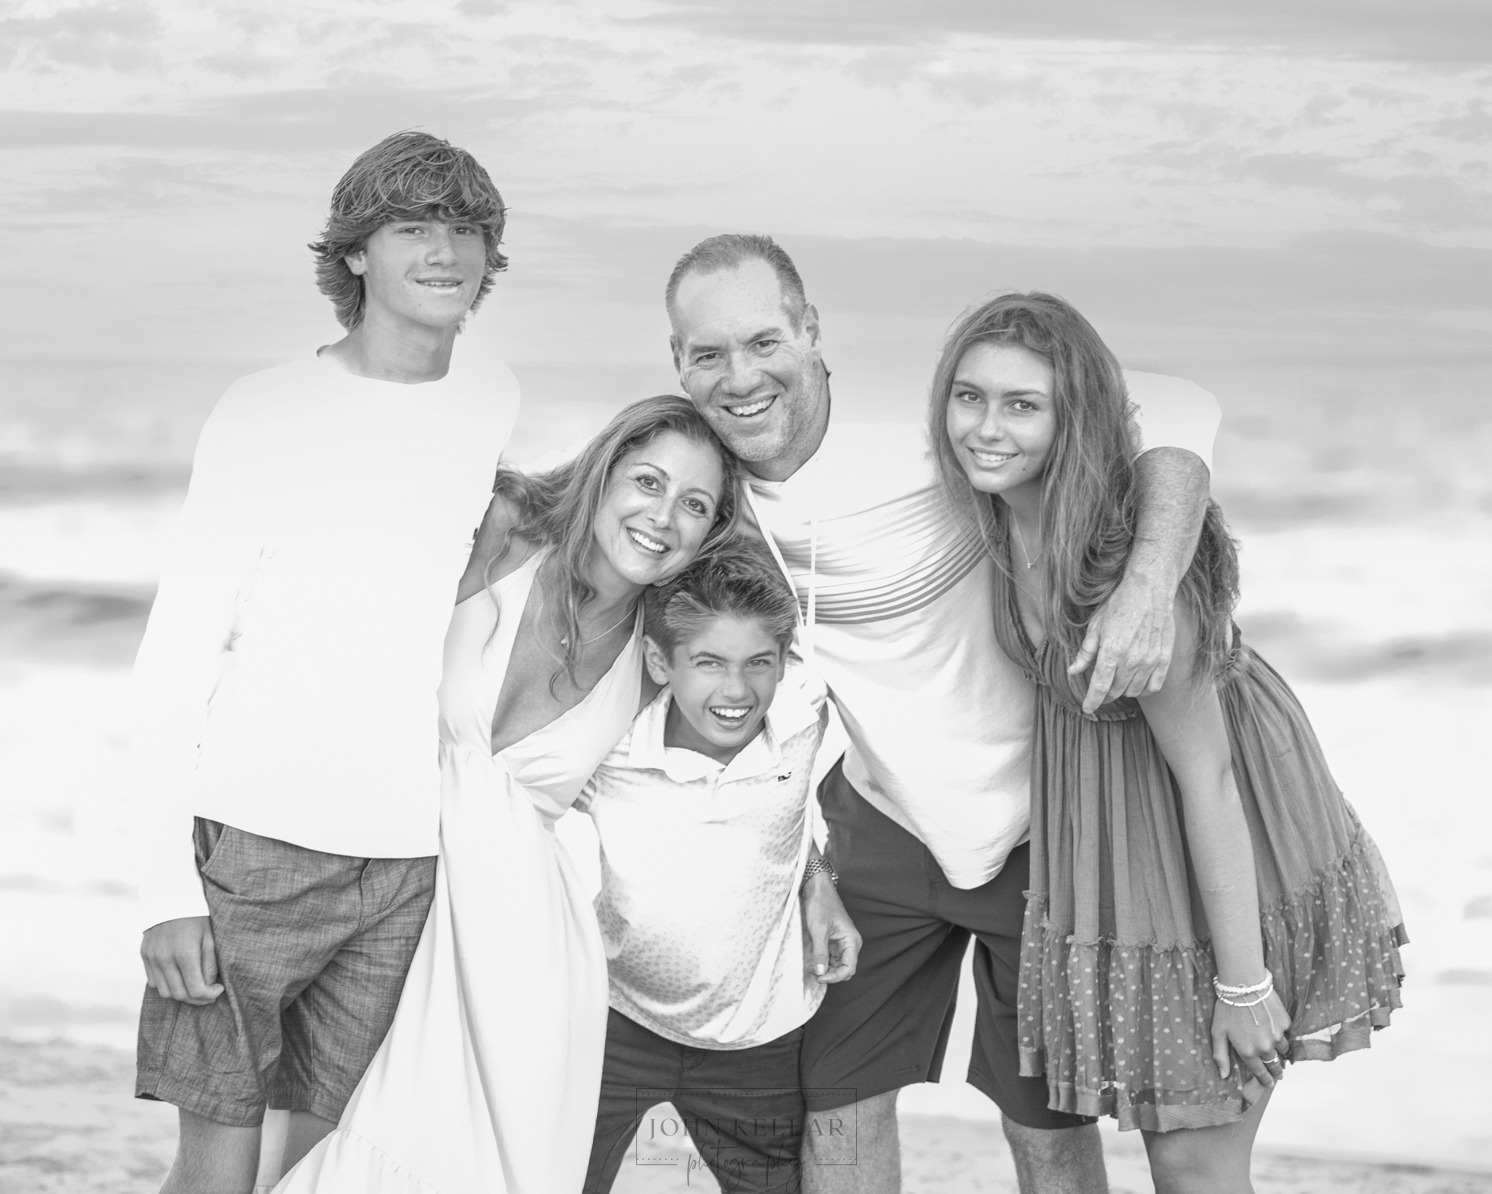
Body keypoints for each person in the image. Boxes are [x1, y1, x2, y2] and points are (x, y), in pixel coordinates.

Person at [664, 234, 1222, 1194]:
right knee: (833, 1109)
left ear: (810, 330)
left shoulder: (927, 426)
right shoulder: (703, 482)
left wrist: (1146, 585)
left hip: (1040, 830)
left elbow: (1177, 404)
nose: (739, 376)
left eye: (762, 341)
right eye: (705, 354)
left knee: (1044, 1126)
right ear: (678, 361)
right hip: (881, 824)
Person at [929, 291, 1406, 1192]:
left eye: (1022, 404)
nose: (986, 427)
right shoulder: (997, 519)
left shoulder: (1121, 559)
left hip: (1221, 838)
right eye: (969, 396)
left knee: (1194, 1163)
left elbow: (1212, 775)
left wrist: (1243, 985)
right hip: (1123, 843)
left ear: (1076, 419)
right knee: (1180, 1151)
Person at [130, 130, 517, 1194]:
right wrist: (163, 888)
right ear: (354, 255)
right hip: (252, 849)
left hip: (403, 866)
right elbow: (176, 653)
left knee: (319, 1173)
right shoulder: (265, 410)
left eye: (463, 227)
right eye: (410, 227)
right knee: (215, 1177)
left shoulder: (491, 401)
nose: (443, 250)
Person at [273, 394, 741, 1193]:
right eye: (648, 482)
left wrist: (819, 878)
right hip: (387, 887)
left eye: (693, 505)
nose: (663, 517)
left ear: (710, 531)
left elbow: (759, 759)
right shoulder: (504, 528)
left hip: (522, 952)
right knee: (321, 1147)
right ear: (604, 473)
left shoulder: (664, 648)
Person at [578, 540, 856, 1194]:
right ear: (659, 661)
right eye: (708, 663)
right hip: (618, 1025)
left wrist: (820, 879)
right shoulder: (605, 744)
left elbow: (796, 823)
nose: (738, 691)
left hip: (759, 1040)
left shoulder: (800, 718)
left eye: (760, 662)